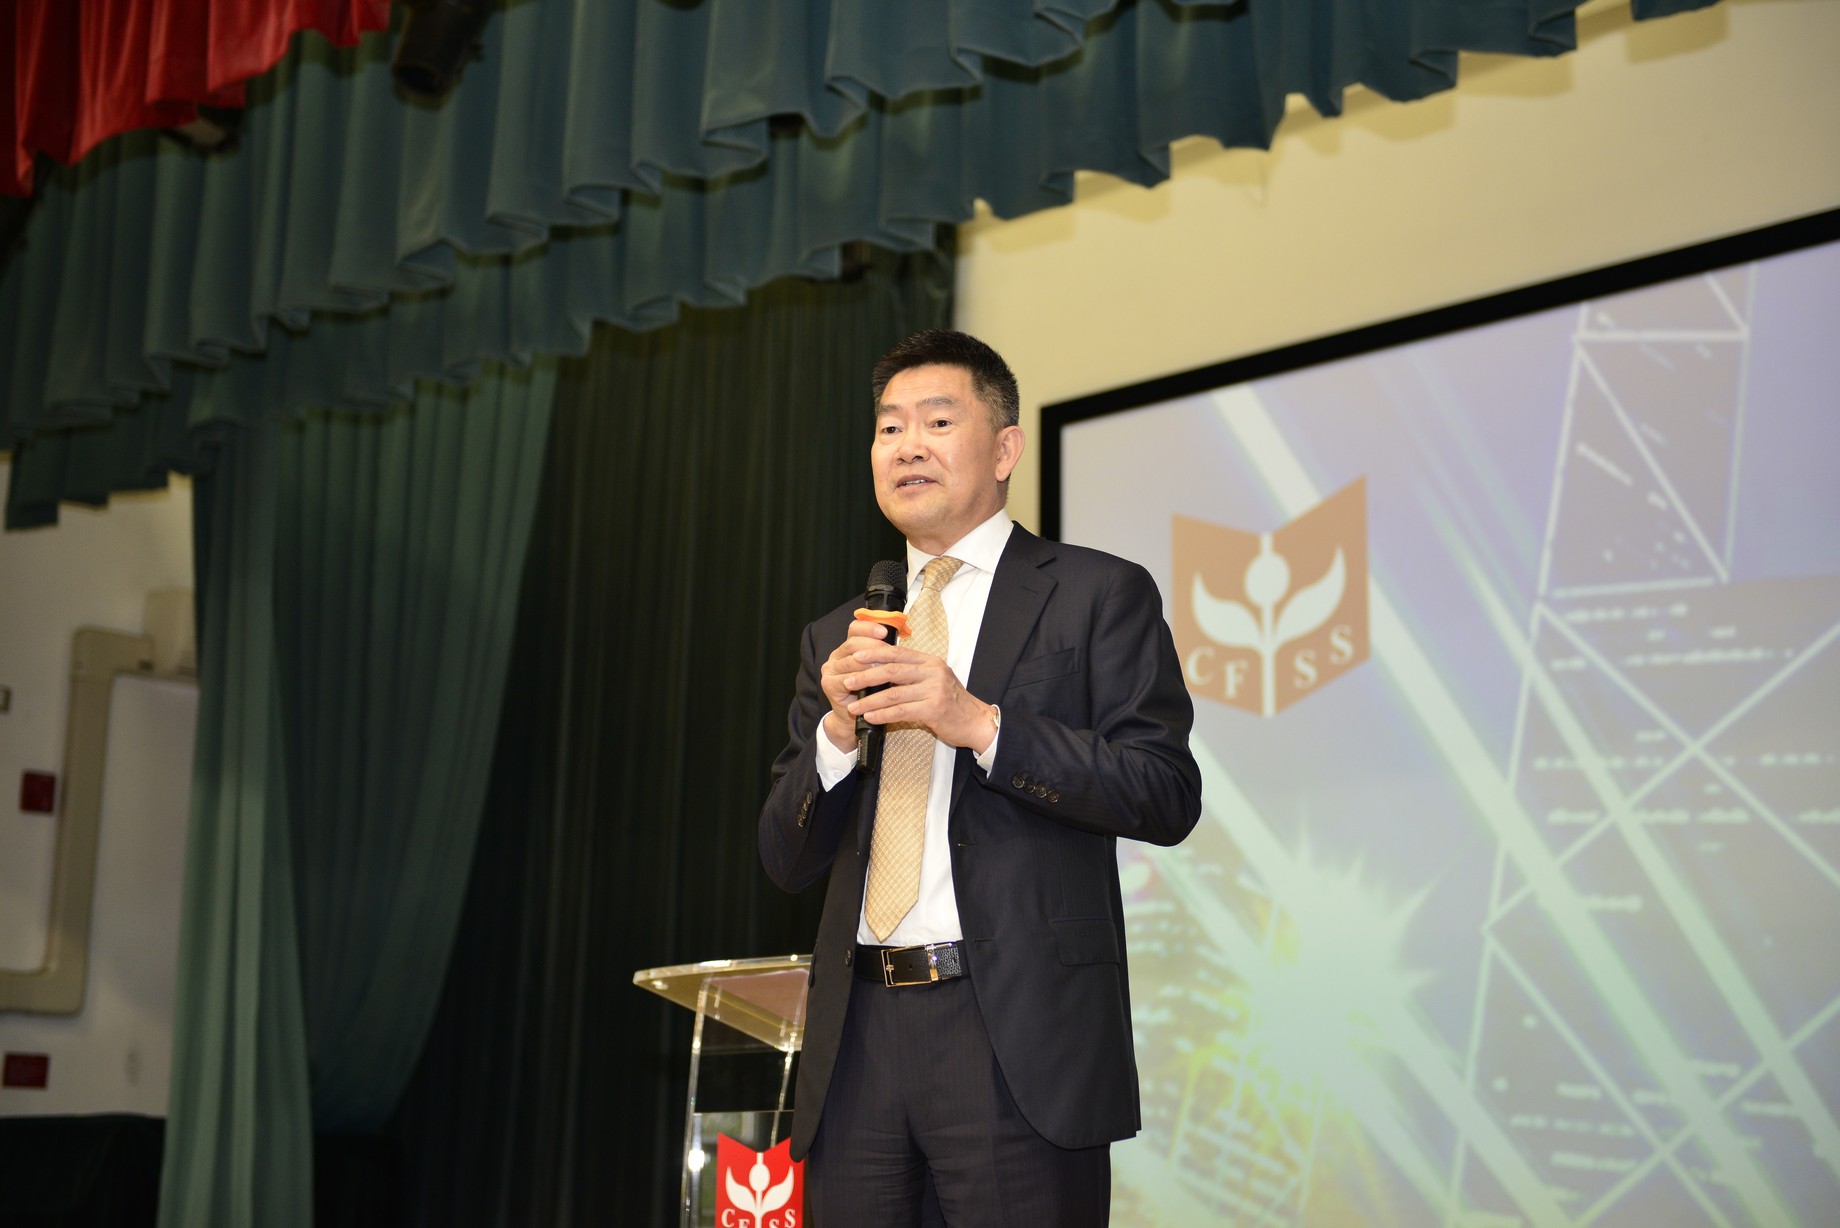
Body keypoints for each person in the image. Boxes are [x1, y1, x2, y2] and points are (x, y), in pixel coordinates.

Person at [757, 329, 1201, 1226]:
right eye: (889, 428)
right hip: (858, 1043)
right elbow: (784, 858)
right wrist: (837, 734)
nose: (906, 446)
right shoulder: (839, 635)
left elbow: (1163, 791)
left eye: (936, 422)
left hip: (1013, 1039)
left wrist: (982, 726)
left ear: (1004, 450)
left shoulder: (1095, 594)